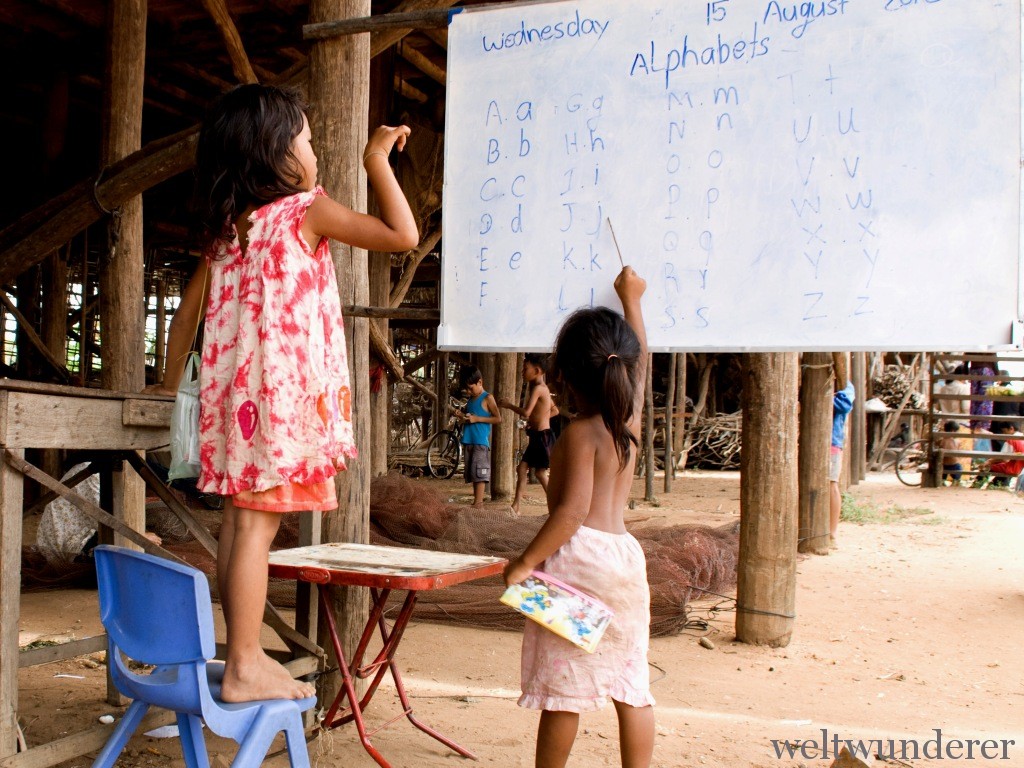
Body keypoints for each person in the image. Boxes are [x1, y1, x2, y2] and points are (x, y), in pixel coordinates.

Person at [147, 84, 418, 702]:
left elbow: (185, 315)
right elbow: (402, 234)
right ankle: (244, 662)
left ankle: (242, 653)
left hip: (237, 406)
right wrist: (377, 161)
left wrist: (170, 381)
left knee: (242, 528)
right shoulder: (304, 211)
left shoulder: (230, 229)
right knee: (257, 532)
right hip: (279, 406)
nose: (313, 149)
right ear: (274, 152)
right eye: (307, 138)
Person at [504, 266, 655, 768]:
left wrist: (525, 564)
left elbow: (570, 515)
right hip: (625, 560)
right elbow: (643, 365)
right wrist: (632, 301)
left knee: (564, 687)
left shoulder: (578, 434)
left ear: (562, 374)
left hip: (579, 565)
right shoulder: (626, 422)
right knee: (632, 682)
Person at [498, 353, 559, 514]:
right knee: (521, 468)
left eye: (525, 369)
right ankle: (516, 506)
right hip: (538, 435)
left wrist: (508, 405)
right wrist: (538, 419)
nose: (522, 372)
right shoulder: (539, 387)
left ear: (537, 370)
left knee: (540, 472)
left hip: (543, 437)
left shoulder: (539, 388)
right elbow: (554, 410)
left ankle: (556, 505)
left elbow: (525, 412)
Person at [457, 366, 501, 508]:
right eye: (467, 389)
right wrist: (461, 416)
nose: (469, 392)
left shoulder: (488, 398)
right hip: (469, 440)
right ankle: (477, 501)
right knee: (473, 472)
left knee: (480, 471)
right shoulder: (470, 400)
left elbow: (498, 419)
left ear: (480, 382)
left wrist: (478, 419)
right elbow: (469, 418)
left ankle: (479, 502)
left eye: (470, 388)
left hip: (480, 441)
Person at [830, 376, 855, 549]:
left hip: (831, 442)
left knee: (831, 484)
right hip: (805, 441)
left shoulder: (845, 385)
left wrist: (825, 396)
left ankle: (831, 533)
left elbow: (844, 406)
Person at [984, 422, 1024, 487]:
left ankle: (977, 483)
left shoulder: (1012, 440)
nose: (1004, 434)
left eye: (1004, 432)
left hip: (1012, 468)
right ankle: (998, 485)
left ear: (1011, 429)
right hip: (1020, 468)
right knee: (999, 467)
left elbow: (1004, 458)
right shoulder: (1022, 437)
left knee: (988, 467)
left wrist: (990, 461)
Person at [936, 421, 964, 485]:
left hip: (943, 464)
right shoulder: (956, 441)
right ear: (953, 431)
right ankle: (956, 481)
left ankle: (942, 481)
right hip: (953, 464)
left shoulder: (942, 440)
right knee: (959, 469)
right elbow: (959, 452)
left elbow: (937, 444)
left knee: (943, 473)